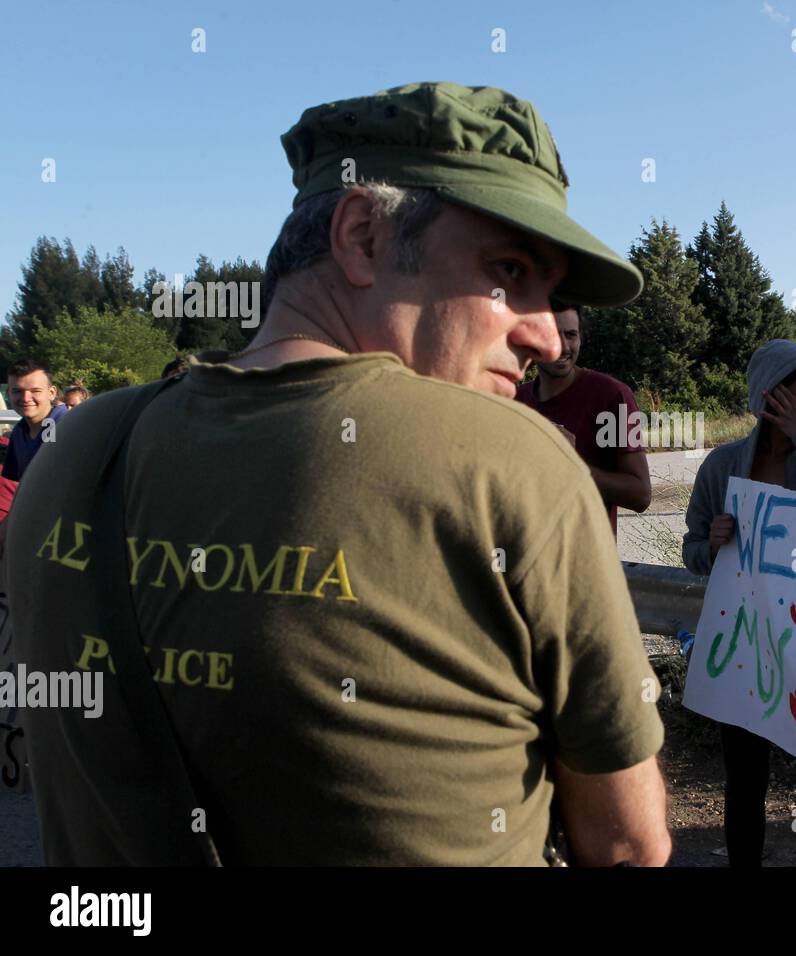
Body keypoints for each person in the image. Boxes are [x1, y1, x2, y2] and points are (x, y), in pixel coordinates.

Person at [8, 81, 670, 866]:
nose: (547, 339)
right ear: (361, 235)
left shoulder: (78, 451)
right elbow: (629, 845)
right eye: (510, 270)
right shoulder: (513, 462)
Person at [683, 339, 796, 867]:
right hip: (745, 644)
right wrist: (711, 545)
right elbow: (691, 552)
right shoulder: (721, 466)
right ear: (769, 396)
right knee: (744, 786)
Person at [515, 303, 651, 535]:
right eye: (552, 335)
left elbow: (640, 495)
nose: (564, 346)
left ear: (581, 338)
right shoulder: (515, 400)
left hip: (585, 565)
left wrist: (573, 465)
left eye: (571, 335)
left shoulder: (612, 396)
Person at [2, 358, 67, 484]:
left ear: (52, 393)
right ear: (8, 394)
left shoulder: (68, 426)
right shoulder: (18, 432)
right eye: (17, 391)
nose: (26, 398)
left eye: (35, 391)